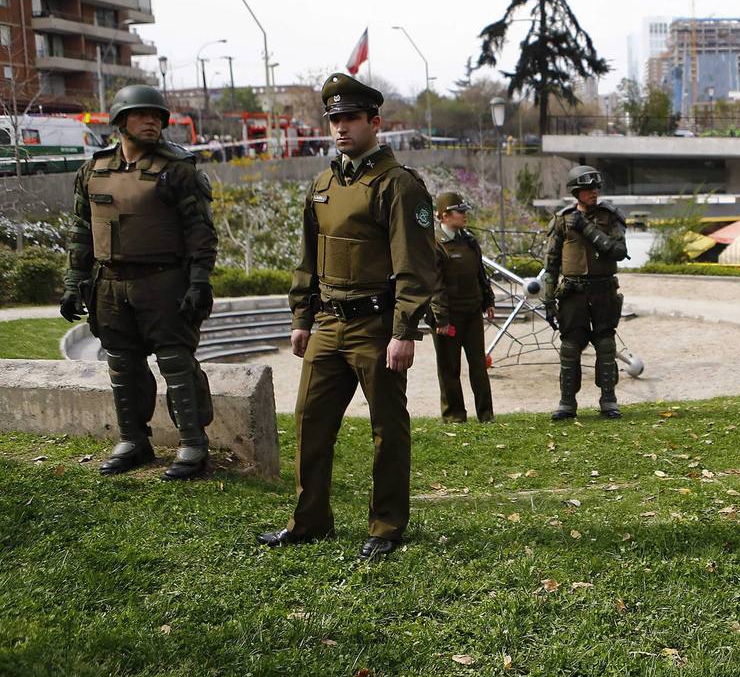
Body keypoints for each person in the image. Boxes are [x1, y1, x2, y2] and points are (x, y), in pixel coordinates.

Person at [258, 73, 442, 559]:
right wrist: (301, 317)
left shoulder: (398, 185)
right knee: (310, 420)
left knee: (387, 428)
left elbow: (416, 265)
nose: (341, 128)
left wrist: (405, 332)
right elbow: (306, 257)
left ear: (374, 122)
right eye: (334, 119)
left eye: (351, 119)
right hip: (327, 325)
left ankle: (385, 527)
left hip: (376, 328)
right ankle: (309, 520)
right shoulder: (322, 184)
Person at [60, 84, 218, 480]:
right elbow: (81, 231)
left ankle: (193, 444)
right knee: (122, 364)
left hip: (164, 282)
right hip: (110, 285)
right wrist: (72, 281)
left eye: (158, 116)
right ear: (120, 121)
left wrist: (199, 283)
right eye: (142, 115)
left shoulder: (178, 170)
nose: (152, 122)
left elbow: (201, 234)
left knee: (176, 363)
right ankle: (133, 440)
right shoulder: (93, 171)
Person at [541, 165, 628, 420]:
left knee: (605, 344)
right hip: (573, 292)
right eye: (588, 189)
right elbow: (551, 264)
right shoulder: (562, 220)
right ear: (576, 192)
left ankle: (608, 400)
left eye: (596, 188)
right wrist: (548, 299)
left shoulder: (610, 217)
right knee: (569, 347)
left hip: (604, 291)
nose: (594, 193)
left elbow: (619, 252)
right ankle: (567, 403)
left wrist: (588, 229)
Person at [431, 191, 495, 423]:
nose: (464, 215)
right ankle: (454, 416)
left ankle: (486, 414)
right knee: (449, 368)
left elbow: (480, 275)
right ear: (445, 216)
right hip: (449, 318)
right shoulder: (435, 244)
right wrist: (441, 319)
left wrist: (488, 300)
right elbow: (435, 286)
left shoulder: (469, 241)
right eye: (460, 211)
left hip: (472, 312)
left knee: (478, 365)